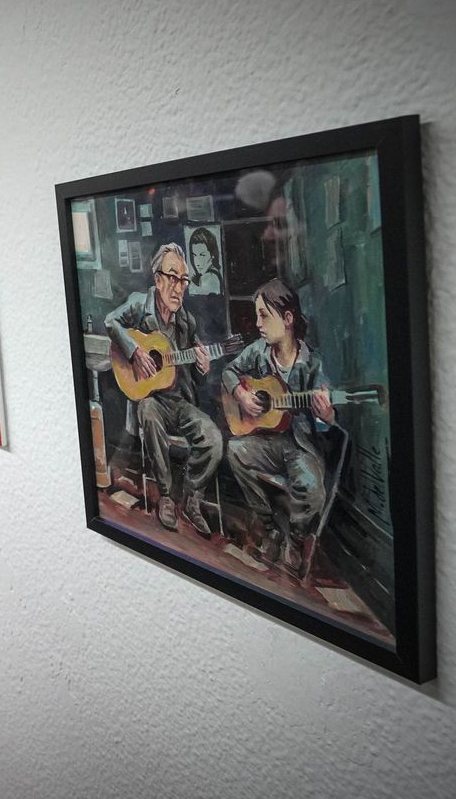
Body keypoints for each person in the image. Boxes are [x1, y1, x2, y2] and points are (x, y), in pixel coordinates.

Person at [105, 242, 223, 535]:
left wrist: (201, 368)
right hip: (151, 400)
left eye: (183, 280)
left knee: (214, 438)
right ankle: (166, 496)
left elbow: (194, 380)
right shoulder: (138, 304)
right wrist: (135, 352)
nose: (179, 287)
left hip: (180, 403)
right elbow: (111, 322)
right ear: (157, 279)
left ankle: (193, 498)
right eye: (173, 278)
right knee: (147, 411)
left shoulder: (187, 323)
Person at [222, 279, 335, 578]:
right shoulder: (258, 352)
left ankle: (296, 539)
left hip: (301, 446)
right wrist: (243, 396)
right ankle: (267, 524)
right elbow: (229, 371)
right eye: (257, 315)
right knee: (235, 450)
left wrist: (326, 415)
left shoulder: (313, 364)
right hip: (266, 442)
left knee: (313, 489)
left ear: (287, 319)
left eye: (263, 316)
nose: (257, 323)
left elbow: (325, 425)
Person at [188, 227, 223, 295]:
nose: (197, 262)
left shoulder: (209, 277)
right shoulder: (212, 273)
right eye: (194, 255)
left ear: (212, 255)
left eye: (202, 255)